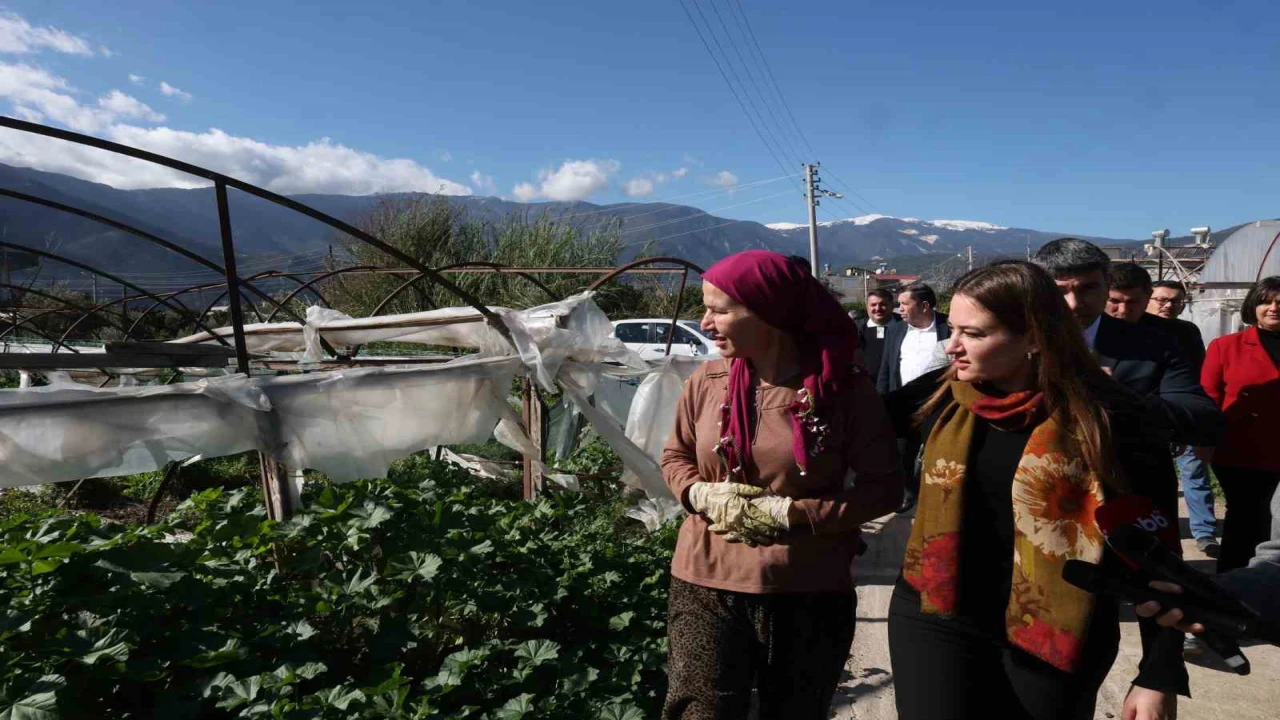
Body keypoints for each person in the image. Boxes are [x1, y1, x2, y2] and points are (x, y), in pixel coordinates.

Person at [887, 260, 1186, 720]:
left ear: (1033, 338)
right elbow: (843, 414)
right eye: (953, 329)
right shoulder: (943, 397)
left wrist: (1158, 673)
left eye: (974, 334)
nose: (953, 347)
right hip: (936, 616)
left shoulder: (1114, 418)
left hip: (1058, 629)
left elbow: (1159, 554)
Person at [660, 250, 905, 719]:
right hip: (705, 576)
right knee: (699, 710)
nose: (705, 322)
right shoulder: (706, 381)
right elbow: (675, 456)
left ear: (770, 313)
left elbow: (884, 489)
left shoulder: (842, 392)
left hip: (807, 585)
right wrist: (697, 492)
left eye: (719, 310)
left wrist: (793, 513)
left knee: (795, 711)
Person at [1031, 240, 1225, 531]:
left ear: (1106, 285)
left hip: (1130, 505)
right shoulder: (1011, 341)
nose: (1074, 303)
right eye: (1060, 292)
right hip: (1034, 501)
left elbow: (1202, 420)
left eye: (1088, 288)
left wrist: (1116, 395)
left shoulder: (1158, 344)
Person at [1106, 264, 1217, 556]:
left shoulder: (1175, 336)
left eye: (1132, 302)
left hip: (1150, 441)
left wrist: (1183, 429)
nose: (1122, 310)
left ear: (1146, 298)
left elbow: (1192, 390)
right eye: (1114, 301)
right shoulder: (1076, 331)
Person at [1199, 276, 1280, 573]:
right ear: (1253, 306)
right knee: (1248, 520)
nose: (1273, 308)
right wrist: (1204, 442)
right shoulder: (1226, 347)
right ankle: (1234, 587)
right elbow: (1208, 397)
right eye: (1266, 301)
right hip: (1242, 450)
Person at [877, 281, 951, 394]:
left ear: (924, 306)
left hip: (938, 403)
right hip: (901, 401)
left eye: (905, 304)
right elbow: (886, 370)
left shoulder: (950, 327)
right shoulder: (895, 330)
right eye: (899, 303)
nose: (900, 309)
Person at [855, 288, 900, 381]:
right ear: (867, 307)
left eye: (883, 304)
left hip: (898, 385)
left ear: (892, 305)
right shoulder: (855, 329)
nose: (878, 308)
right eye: (873, 305)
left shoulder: (906, 327)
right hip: (867, 386)